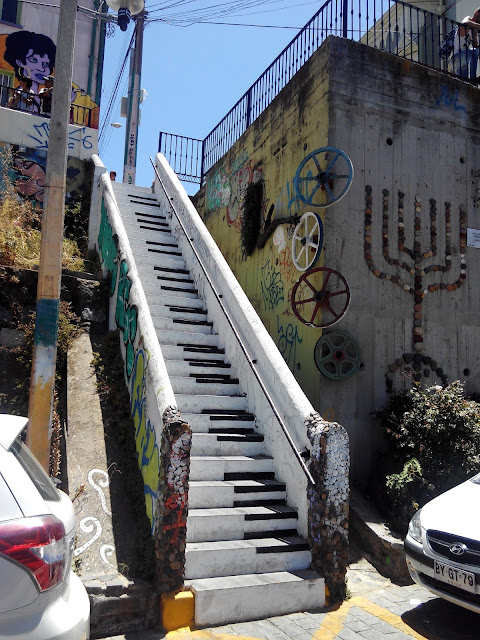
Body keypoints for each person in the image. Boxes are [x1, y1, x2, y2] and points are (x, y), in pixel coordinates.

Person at [4, 30, 56, 96]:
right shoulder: (20, 93)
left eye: (46, 64)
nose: (41, 69)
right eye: (33, 60)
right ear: (19, 62)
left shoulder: (42, 93)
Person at [452, 9, 480, 81]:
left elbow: (475, 45)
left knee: (464, 83)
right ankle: (473, 79)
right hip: (457, 57)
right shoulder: (468, 20)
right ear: (476, 13)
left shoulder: (474, 30)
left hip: (464, 59)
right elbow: (465, 22)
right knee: (475, 51)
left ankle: (472, 82)